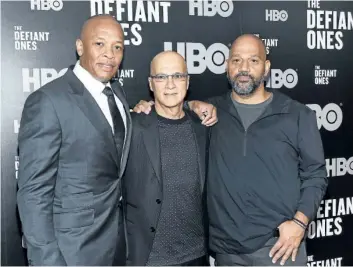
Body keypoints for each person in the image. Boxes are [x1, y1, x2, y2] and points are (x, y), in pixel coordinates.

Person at [133, 34, 328, 266]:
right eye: (236, 60)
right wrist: (160, 104)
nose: (243, 68)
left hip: (280, 248)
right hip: (227, 253)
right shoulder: (211, 113)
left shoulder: (297, 115)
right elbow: (172, 103)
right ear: (227, 67)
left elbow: (316, 175)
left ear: (266, 68)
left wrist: (299, 223)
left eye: (253, 61)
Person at [17, 15, 131, 266]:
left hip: (120, 247)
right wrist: (46, 260)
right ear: (80, 47)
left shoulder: (118, 94)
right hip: (72, 251)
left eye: (117, 47)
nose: (110, 54)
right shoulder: (48, 101)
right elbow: (34, 193)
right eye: (99, 44)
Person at [124, 51, 210, 266]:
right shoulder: (132, 127)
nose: (170, 84)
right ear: (151, 84)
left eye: (178, 76)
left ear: (187, 81)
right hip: (149, 259)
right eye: (161, 77)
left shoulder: (204, 128)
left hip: (196, 256)